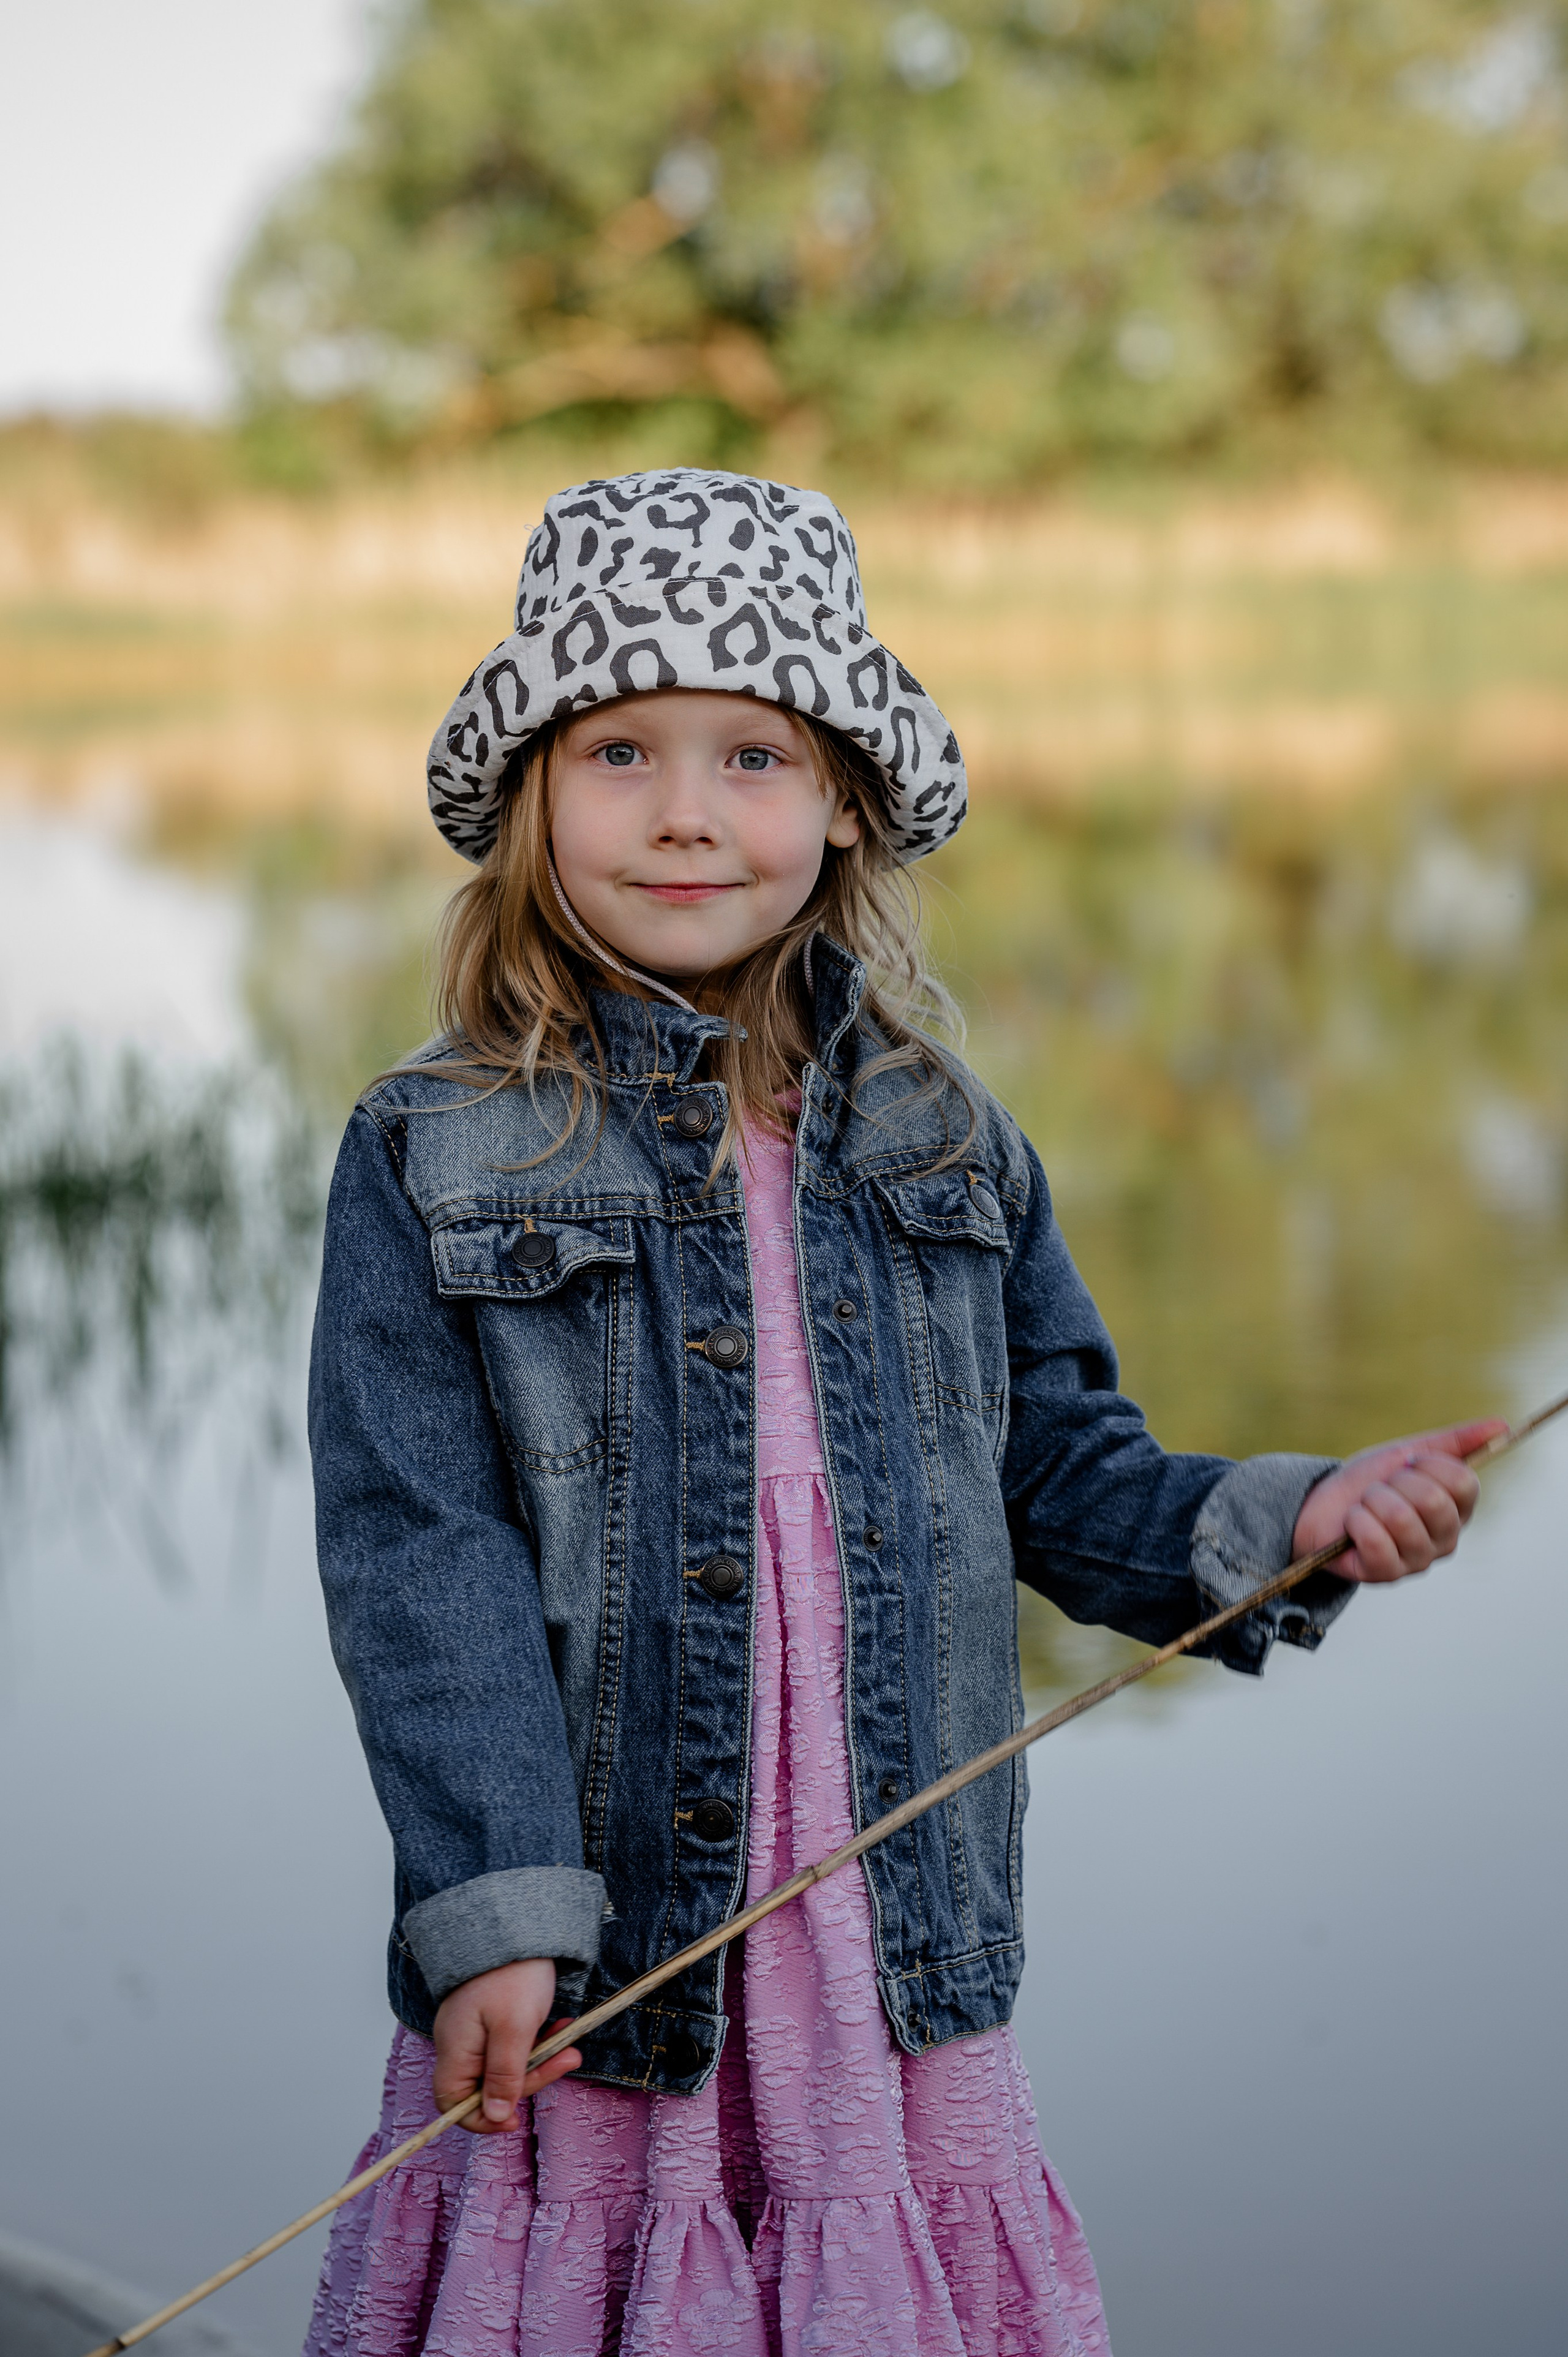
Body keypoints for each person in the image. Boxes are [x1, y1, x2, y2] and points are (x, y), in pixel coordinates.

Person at [303, 470, 1495, 2357]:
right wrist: (495, 1898)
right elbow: (415, 1555)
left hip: (885, 1944)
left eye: (753, 756)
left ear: (845, 795)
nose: (686, 810)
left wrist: (1294, 1515)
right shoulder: (440, 1151)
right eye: (618, 749)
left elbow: (1059, 1469)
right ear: (533, 790)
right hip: (611, 1940)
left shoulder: (944, 1138)